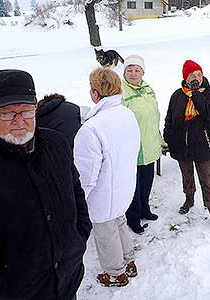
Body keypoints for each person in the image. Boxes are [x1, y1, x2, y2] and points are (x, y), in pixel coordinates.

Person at [0, 69, 92, 300]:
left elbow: (75, 190)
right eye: (7, 114)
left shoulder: (57, 143)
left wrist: (80, 236)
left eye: (26, 111)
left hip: (68, 280)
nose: (19, 122)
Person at [74, 68, 140, 287]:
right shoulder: (127, 114)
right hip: (123, 185)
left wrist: (78, 200)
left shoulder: (91, 128)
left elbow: (86, 175)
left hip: (104, 194)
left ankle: (115, 273)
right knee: (120, 221)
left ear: (94, 93)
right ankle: (129, 261)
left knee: (106, 232)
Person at [163, 60, 210, 229]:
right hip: (180, 144)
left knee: (206, 178)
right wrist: (167, 136)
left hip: (202, 143)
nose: (196, 77)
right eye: (192, 75)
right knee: (187, 175)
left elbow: (208, 113)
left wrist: (195, 93)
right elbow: (170, 117)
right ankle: (189, 199)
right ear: (186, 78)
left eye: (199, 74)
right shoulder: (177, 95)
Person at [121, 54, 164, 234]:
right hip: (133, 148)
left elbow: (154, 115)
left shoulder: (147, 89)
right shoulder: (120, 91)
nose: (133, 73)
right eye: (129, 70)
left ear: (143, 72)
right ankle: (133, 217)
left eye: (137, 70)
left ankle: (145, 209)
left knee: (146, 182)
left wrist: (159, 138)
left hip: (150, 144)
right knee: (134, 185)